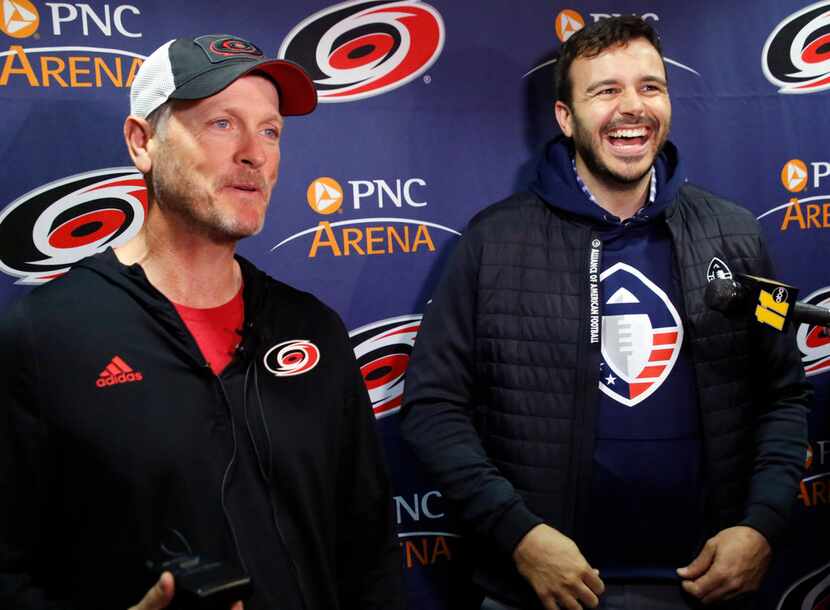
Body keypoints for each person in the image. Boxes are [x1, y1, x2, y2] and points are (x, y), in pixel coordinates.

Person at [401, 16, 810, 610]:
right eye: (605, 91)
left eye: (650, 87)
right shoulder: (494, 242)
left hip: (706, 587)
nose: (632, 107)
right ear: (566, 118)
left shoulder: (735, 235)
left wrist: (762, 524)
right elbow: (434, 408)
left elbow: (783, 393)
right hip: (541, 592)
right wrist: (520, 535)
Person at [0, 34, 402, 610]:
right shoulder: (44, 336)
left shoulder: (314, 328)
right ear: (143, 143)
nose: (255, 153)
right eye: (221, 123)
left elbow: (369, 550)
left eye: (270, 131)